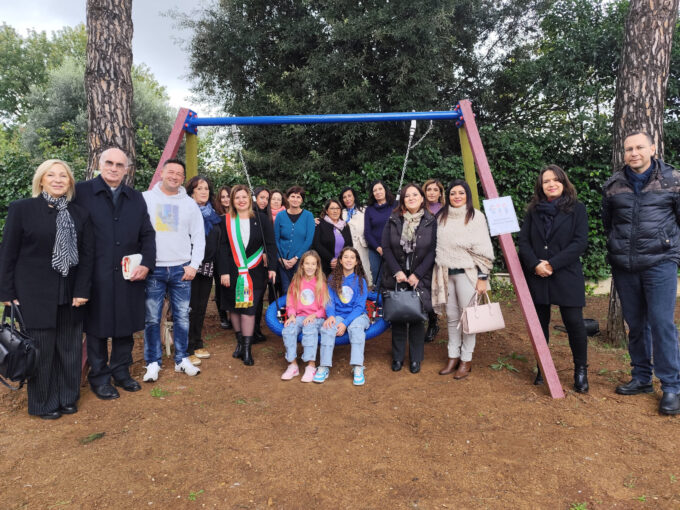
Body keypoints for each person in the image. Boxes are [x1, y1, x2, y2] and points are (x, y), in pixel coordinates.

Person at [0, 159, 94, 419]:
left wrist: (83, 290)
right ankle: (43, 403)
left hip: (71, 293)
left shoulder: (79, 214)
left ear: (70, 182)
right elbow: (7, 254)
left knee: (70, 349)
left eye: (63, 176)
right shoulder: (23, 209)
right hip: (34, 293)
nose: (57, 180)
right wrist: (6, 294)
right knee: (41, 350)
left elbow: (87, 257)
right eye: (51, 175)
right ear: (41, 180)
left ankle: (67, 397)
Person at [602, 131, 680, 415]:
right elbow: (609, 224)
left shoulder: (673, 181)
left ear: (653, 148)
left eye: (639, 147)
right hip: (625, 266)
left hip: (660, 263)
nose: (634, 153)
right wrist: (617, 250)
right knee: (635, 325)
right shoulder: (613, 185)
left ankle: (672, 386)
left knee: (661, 324)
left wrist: (672, 253)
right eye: (628, 148)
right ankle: (642, 378)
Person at [73, 147, 156, 400]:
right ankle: (99, 377)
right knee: (97, 329)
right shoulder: (81, 192)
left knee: (124, 326)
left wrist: (147, 263)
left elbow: (148, 234)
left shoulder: (135, 197)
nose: (113, 168)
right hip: (94, 274)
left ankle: (121, 373)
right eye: (109, 163)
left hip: (127, 275)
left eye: (120, 165)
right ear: (100, 164)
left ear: (126, 169)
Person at [518, 166, 589, 392]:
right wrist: (535, 264)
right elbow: (524, 243)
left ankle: (580, 371)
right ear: (541, 185)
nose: (551, 184)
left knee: (575, 324)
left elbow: (579, 243)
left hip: (566, 274)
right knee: (540, 325)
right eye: (546, 181)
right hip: (538, 275)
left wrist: (552, 264)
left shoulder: (577, 209)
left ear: (563, 182)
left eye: (555, 180)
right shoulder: (532, 211)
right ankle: (543, 368)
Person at [142, 159, 205, 382]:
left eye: (179, 173)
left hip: (181, 269)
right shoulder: (146, 198)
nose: (175, 176)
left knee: (182, 317)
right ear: (161, 173)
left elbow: (199, 237)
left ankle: (181, 359)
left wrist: (194, 265)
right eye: (171, 172)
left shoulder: (189, 204)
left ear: (183, 178)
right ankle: (152, 362)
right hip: (154, 269)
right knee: (151, 318)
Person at [431, 180, 494, 380]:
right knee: (451, 317)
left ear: (467, 195)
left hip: (468, 273)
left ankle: (466, 359)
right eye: (452, 193)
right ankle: (453, 356)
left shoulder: (476, 217)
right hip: (445, 273)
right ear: (447, 196)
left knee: (468, 319)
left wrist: (483, 277)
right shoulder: (441, 216)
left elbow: (484, 249)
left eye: (461, 193)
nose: (456, 196)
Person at [218, 185, 277, 366]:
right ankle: (240, 343)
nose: (241, 200)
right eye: (237, 198)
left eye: (244, 197)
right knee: (235, 308)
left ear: (249, 199)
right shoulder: (225, 221)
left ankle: (247, 349)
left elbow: (271, 244)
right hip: (232, 271)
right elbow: (222, 247)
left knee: (249, 308)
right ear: (232, 201)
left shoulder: (261, 219)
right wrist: (224, 272)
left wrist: (272, 267)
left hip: (255, 272)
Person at [381, 183, 437, 374]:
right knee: (397, 317)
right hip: (396, 276)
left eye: (415, 195)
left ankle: (416, 359)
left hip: (419, 277)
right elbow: (386, 247)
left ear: (422, 198)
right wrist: (397, 271)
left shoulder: (431, 221)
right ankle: (397, 358)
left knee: (416, 318)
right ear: (403, 200)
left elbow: (432, 251)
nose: (411, 198)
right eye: (407, 196)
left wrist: (417, 275)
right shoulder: (393, 219)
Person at [316, 247, 370, 385]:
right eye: (346, 257)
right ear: (340, 260)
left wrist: (345, 323)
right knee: (327, 328)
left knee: (356, 328)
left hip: (358, 316)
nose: (349, 260)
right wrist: (331, 316)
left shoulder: (360, 281)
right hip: (338, 315)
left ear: (357, 262)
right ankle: (324, 366)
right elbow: (330, 301)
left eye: (352, 257)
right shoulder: (333, 279)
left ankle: (357, 367)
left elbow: (359, 307)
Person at [280, 250, 333, 382]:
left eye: (313, 264)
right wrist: (291, 315)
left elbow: (324, 307)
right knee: (288, 329)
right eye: (307, 263)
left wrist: (314, 315)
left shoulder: (321, 282)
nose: (310, 267)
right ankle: (293, 365)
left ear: (317, 266)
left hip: (317, 318)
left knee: (309, 329)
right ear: (302, 265)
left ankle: (311, 366)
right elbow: (290, 302)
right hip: (299, 316)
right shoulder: (297, 281)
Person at [186, 175, 222, 365]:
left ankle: (197, 341)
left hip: (207, 267)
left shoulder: (213, 214)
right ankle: (187, 346)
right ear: (191, 191)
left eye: (206, 188)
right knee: (188, 308)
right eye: (199, 188)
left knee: (200, 307)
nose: (203, 192)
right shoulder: (185, 211)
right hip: (189, 267)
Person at [274, 186, 316, 293]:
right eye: (292, 196)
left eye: (298, 197)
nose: (295, 199)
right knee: (286, 290)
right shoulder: (280, 216)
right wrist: (280, 258)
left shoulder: (308, 216)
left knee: (301, 290)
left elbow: (309, 240)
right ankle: (288, 310)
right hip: (283, 262)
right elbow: (275, 238)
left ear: (302, 200)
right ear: (287, 198)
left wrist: (296, 258)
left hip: (300, 262)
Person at [422, 179, 445, 343]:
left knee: (435, 287)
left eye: (435, 190)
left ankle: (433, 322)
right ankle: (420, 316)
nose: (431, 192)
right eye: (428, 189)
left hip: (439, 254)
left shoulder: (445, 211)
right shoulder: (420, 209)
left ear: (440, 193)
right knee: (422, 286)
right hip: (421, 254)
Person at [364, 180, 396, 289]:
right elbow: (367, 232)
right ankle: (378, 303)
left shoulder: (395, 206)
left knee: (392, 275)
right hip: (375, 249)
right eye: (374, 190)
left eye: (380, 189)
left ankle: (392, 302)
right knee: (377, 275)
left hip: (393, 248)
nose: (377, 192)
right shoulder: (369, 210)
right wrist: (378, 248)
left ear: (385, 190)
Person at [340, 186, 372, 287]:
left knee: (366, 270)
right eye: (344, 197)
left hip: (362, 245)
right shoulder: (341, 212)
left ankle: (368, 294)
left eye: (349, 196)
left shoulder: (364, 210)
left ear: (354, 197)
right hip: (348, 247)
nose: (347, 199)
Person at [313, 198, 353, 275]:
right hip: (324, 266)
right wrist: (331, 260)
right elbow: (317, 244)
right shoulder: (319, 224)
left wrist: (341, 260)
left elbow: (350, 245)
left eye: (338, 208)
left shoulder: (345, 226)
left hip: (342, 265)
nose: (335, 211)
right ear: (327, 211)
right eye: (332, 208)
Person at [213, 185, 232, 330]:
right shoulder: (215, 216)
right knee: (221, 285)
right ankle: (223, 315)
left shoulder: (239, 214)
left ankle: (233, 313)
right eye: (223, 197)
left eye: (228, 196)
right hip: (219, 254)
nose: (226, 199)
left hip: (236, 255)